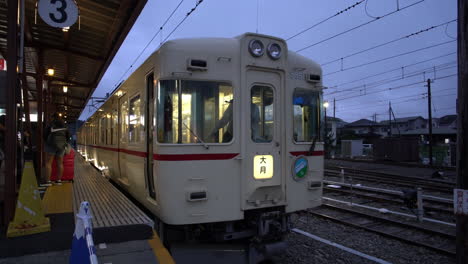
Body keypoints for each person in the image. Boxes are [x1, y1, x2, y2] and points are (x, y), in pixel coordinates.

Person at [43, 113, 70, 185]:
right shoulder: (64, 126)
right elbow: (68, 137)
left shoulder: (50, 125)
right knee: (60, 163)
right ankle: (58, 180)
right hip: (61, 146)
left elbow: (45, 135)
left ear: (53, 117)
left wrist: (47, 142)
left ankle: (48, 181)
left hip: (51, 145)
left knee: (48, 163)